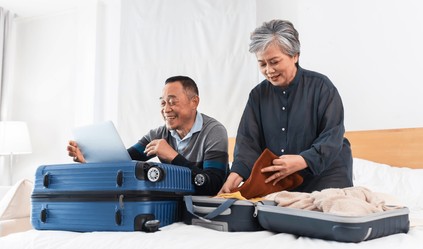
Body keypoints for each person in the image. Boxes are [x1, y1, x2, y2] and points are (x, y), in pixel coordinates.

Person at [219, 19, 353, 194]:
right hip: (282, 182)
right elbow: (248, 143)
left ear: (295, 55)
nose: (268, 70)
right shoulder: (258, 96)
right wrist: (234, 176)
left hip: (327, 176)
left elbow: (332, 136)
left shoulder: (322, 87)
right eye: (262, 63)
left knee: (326, 210)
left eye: (274, 62)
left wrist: (303, 160)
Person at [68, 75, 229, 195]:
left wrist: (173, 156)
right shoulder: (157, 135)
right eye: (163, 103)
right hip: (174, 206)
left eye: (172, 102)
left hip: (203, 209)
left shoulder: (214, 131)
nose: (166, 109)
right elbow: (123, 163)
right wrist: (89, 160)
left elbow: (212, 185)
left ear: (194, 102)